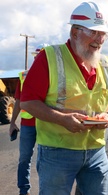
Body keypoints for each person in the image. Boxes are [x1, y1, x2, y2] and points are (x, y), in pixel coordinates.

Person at [20, 2, 108, 195]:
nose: (99, 40)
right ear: (75, 32)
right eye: (93, 32)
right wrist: (62, 119)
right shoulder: (49, 57)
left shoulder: (106, 64)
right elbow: (28, 101)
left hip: (96, 151)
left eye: (103, 34)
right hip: (57, 152)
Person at [9, 43, 49, 195]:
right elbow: (18, 100)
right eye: (38, 55)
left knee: (46, 159)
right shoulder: (24, 75)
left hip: (46, 122)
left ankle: (46, 190)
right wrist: (12, 122)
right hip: (27, 124)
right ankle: (23, 190)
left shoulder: (53, 74)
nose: (39, 58)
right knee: (25, 158)